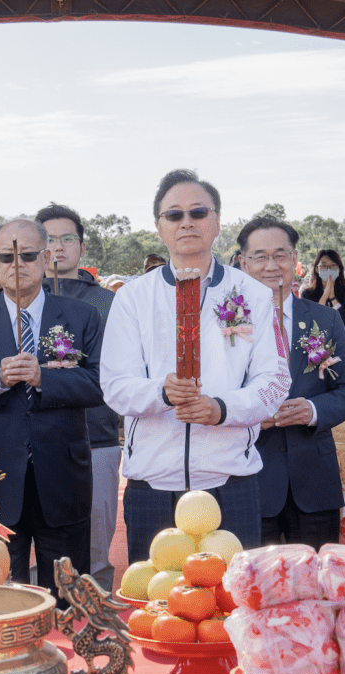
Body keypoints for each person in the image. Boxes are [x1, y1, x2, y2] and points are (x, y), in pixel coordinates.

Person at [100, 170, 290, 562]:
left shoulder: (250, 293)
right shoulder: (133, 298)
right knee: (156, 606)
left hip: (230, 478)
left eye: (198, 212)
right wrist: (161, 393)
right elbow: (115, 385)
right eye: (174, 215)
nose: (186, 222)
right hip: (152, 482)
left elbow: (273, 381)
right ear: (158, 227)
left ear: (217, 222)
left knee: (230, 604)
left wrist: (221, 409)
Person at [0, 217, 103, 604]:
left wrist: (45, 379)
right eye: (6, 257)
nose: (17, 265)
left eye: (28, 255)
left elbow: (100, 385)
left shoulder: (80, 316)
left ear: (45, 258)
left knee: (67, 594)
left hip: (62, 474)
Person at [239, 215, 345, 549]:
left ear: (295, 261)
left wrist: (311, 409)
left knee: (318, 585)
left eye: (280, 255)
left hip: (314, 480)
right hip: (249, 477)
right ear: (243, 264)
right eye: (260, 256)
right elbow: (215, 394)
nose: (271, 265)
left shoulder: (324, 318)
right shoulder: (227, 324)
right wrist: (247, 415)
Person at [35, 203, 122, 591]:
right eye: (48, 239)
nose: (57, 248)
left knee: (95, 544)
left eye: (66, 238)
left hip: (95, 436)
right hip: (36, 440)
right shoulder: (20, 301)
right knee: (38, 546)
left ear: (81, 247)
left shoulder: (106, 302)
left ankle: (97, 618)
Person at [302, 249, 345, 352]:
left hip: (343, 350)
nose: (328, 269)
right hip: (317, 351)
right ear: (317, 269)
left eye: (333, 265)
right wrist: (324, 296)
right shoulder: (307, 294)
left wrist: (333, 298)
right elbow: (310, 323)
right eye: (323, 265)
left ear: (339, 269)